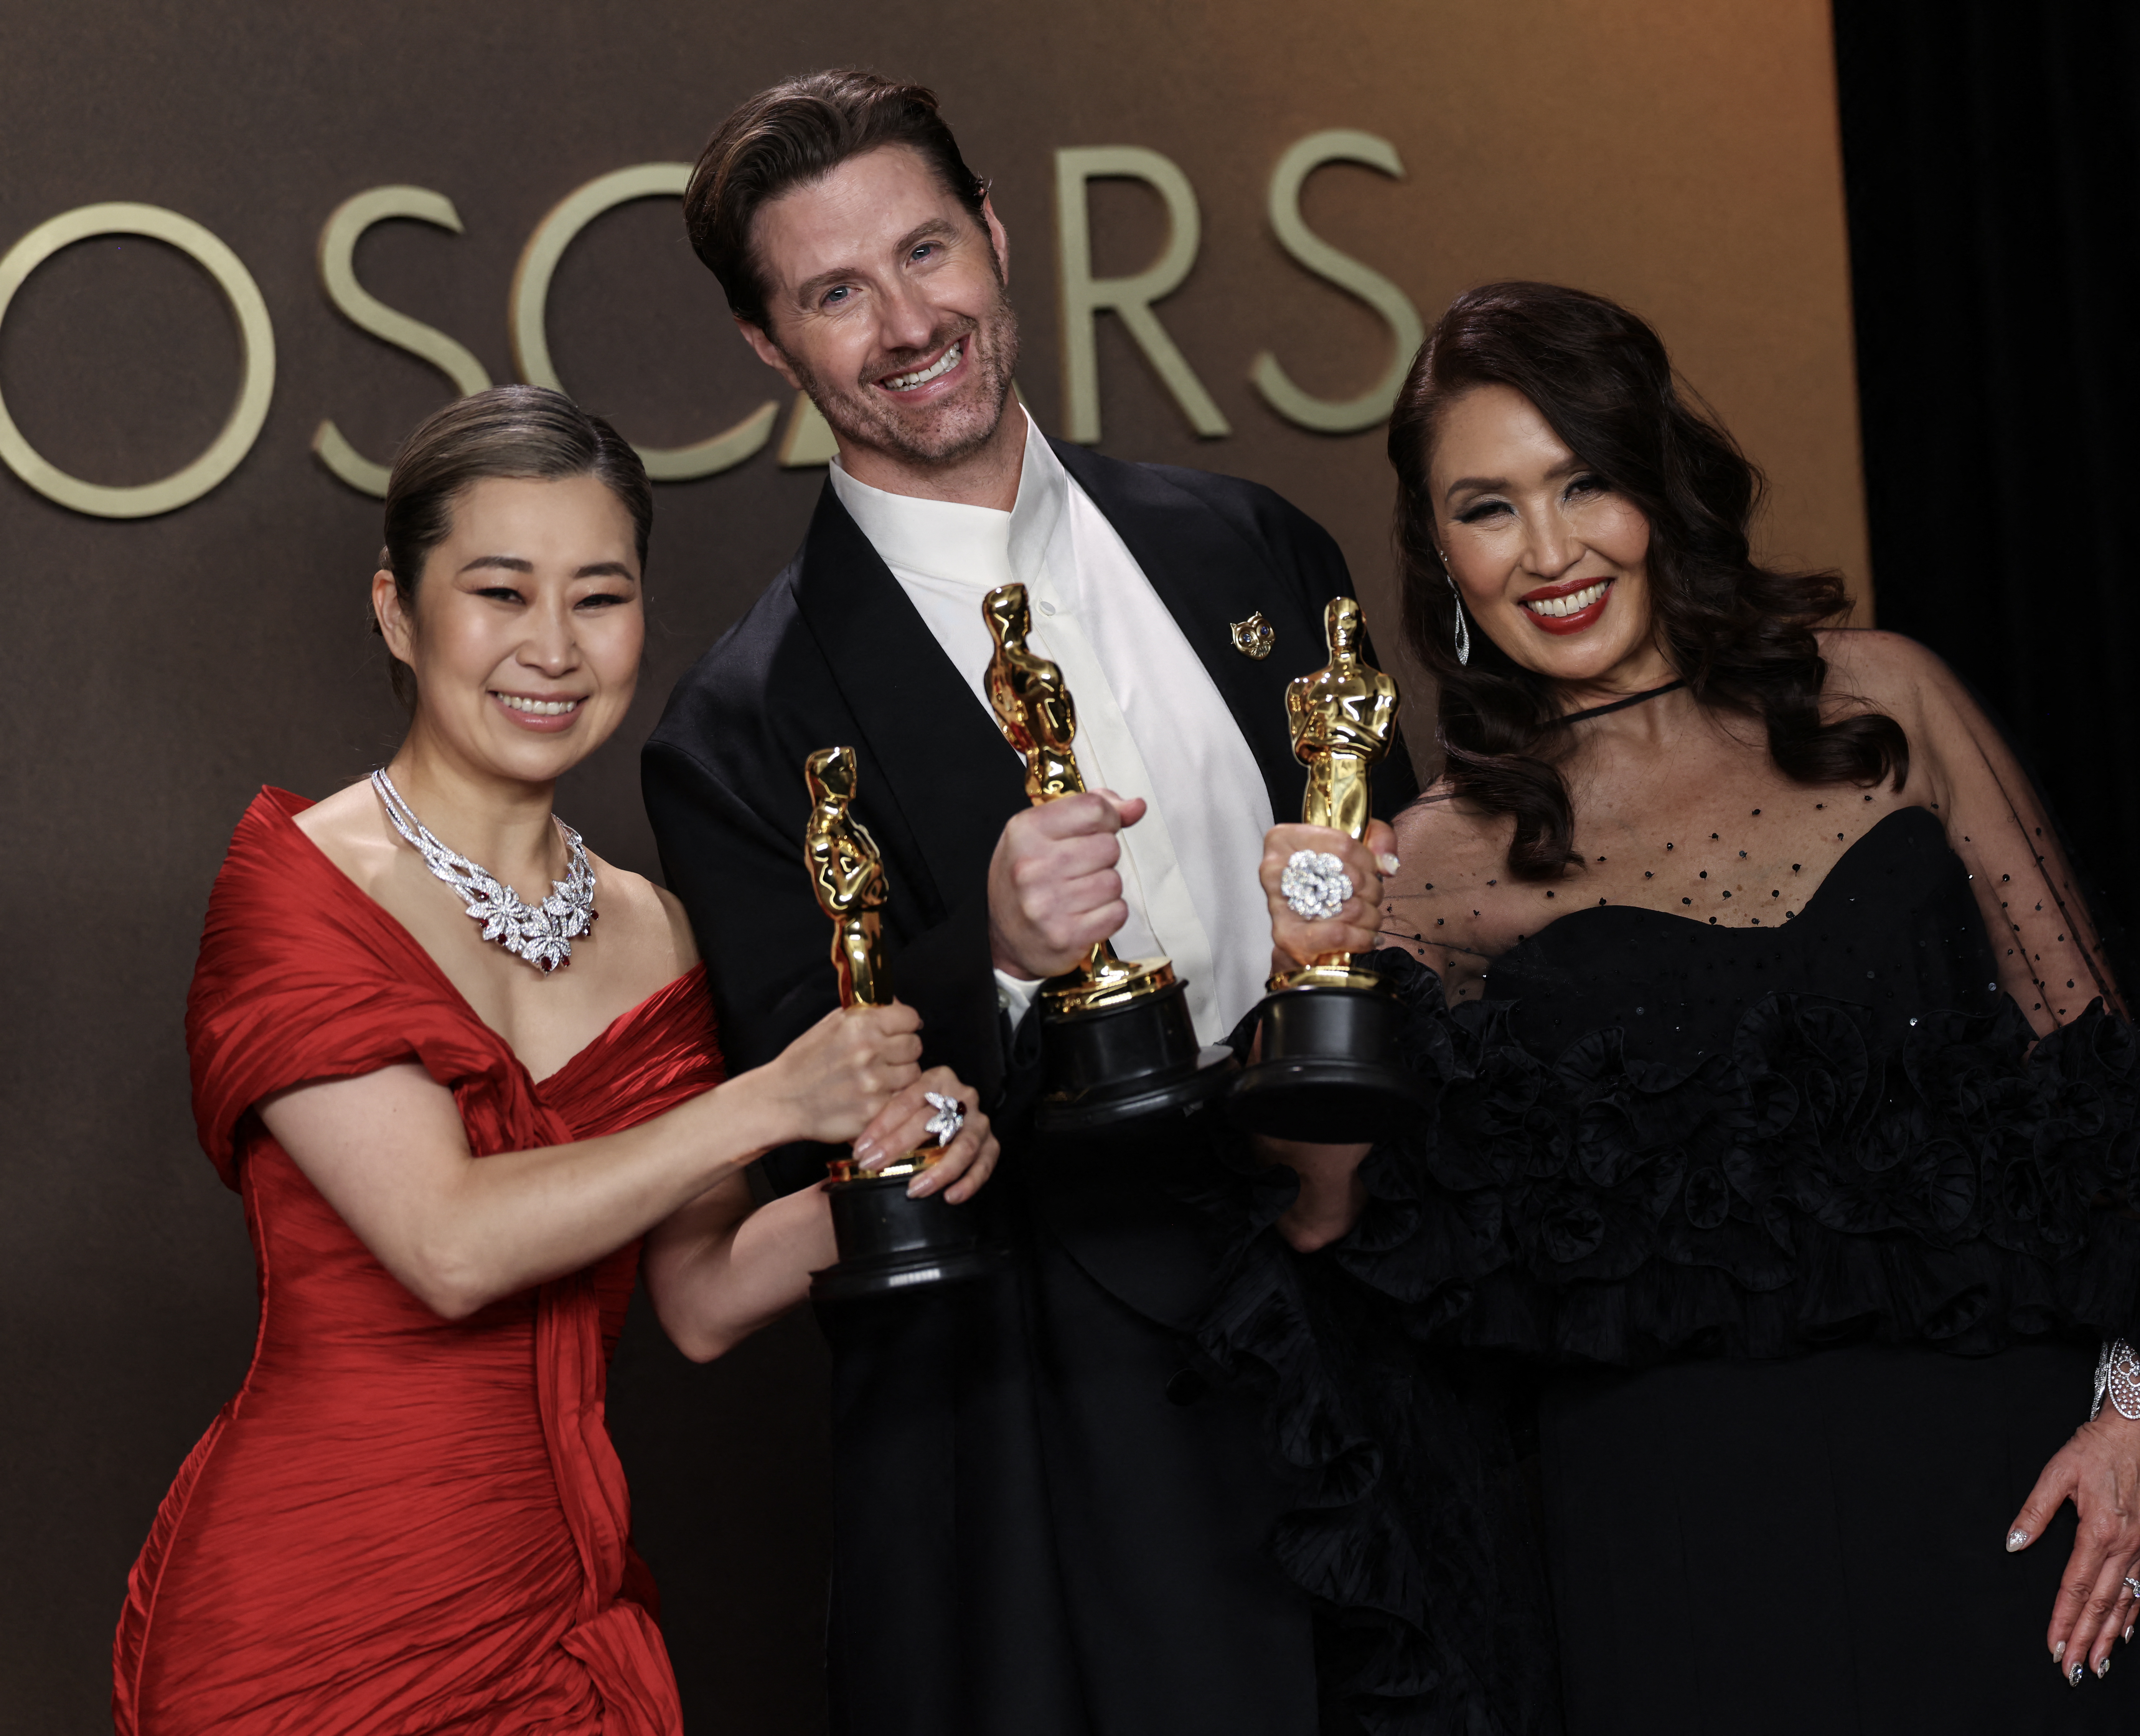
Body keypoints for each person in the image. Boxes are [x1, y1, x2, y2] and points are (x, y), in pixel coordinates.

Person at [1234, 282, 2140, 1735]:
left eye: (1581, 481)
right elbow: (1325, 1224)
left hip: (2016, 1510)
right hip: (1678, 1563)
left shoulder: (1885, 704)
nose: (1546, 552)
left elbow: (2117, 1095)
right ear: (1438, 551)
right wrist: (1312, 967)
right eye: (1487, 507)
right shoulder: (1433, 859)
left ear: (1656, 484)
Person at [642, 70, 1419, 1736]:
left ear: (998, 240)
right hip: (1050, 1415)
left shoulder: (1250, 547)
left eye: (928, 251)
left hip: (1372, 1323)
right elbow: (804, 1112)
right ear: (769, 349)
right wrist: (985, 958)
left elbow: (1409, 884)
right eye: (836, 292)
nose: (909, 320)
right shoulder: (739, 727)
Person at [112, 387, 997, 1736]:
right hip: (309, 1615)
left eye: (598, 596)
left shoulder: (656, 929)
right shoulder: (299, 885)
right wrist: (772, 1100)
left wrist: (883, 1180)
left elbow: (697, 1298)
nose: (553, 647)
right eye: (500, 592)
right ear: (400, 615)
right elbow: (449, 1245)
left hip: (554, 1614)